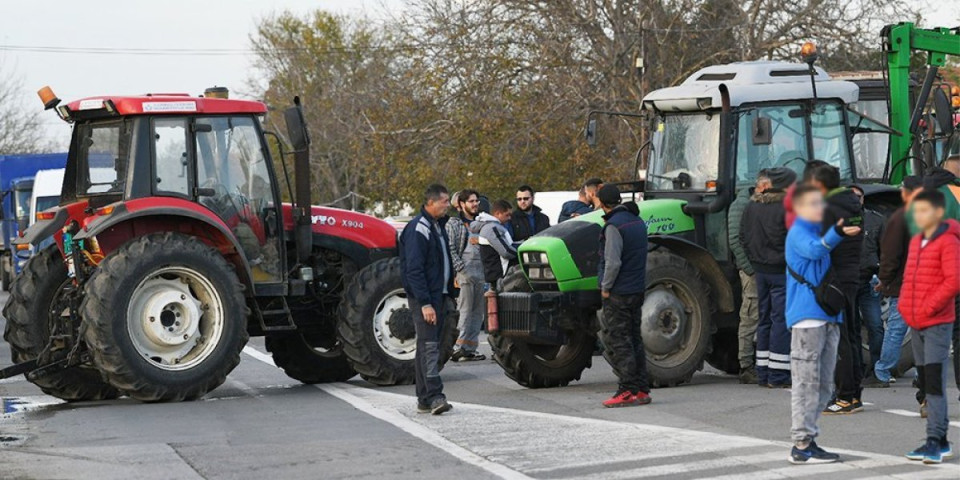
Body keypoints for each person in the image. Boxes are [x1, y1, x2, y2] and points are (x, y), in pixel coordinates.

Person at [785, 184, 860, 465]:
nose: (820, 209)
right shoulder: (800, 232)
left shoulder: (818, 230)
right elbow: (815, 251)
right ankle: (801, 442)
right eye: (814, 204)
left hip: (828, 315)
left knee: (825, 384)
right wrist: (838, 233)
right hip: (807, 318)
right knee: (806, 382)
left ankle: (809, 439)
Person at [899, 189, 959, 464]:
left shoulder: (947, 241)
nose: (917, 216)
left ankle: (935, 440)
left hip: (936, 322)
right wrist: (905, 306)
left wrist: (927, 306)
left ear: (938, 213)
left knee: (934, 383)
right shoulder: (917, 240)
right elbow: (909, 277)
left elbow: (954, 280)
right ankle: (938, 439)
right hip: (916, 321)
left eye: (923, 211)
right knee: (925, 381)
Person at [806, 164, 866, 415]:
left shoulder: (827, 209)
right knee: (851, 336)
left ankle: (844, 396)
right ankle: (854, 393)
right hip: (851, 275)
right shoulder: (853, 204)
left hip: (835, 279)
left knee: (839, 339)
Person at [399, 184, 455, 415]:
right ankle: (434, 396)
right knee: (430, 347)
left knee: (427, 346)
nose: (448, 205)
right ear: (431, 202)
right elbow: (414, 270)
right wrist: (425, 303)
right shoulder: (419, 229)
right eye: (444, 201)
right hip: (427, 300)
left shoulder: (436, 226)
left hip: (438, 297)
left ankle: (424, 398)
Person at [595, 184, 651, 408]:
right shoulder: (637, 221)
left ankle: (626, 389)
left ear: (602, 202)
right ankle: (641, 389)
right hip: (637, 288)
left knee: (619, 340)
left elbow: (613, 261)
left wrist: (606, 287)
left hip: (619, 291)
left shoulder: (613, 226)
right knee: (635, 339)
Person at [864, 176, 922, 388]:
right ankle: (923, 374)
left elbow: (890, 255)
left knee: (896, 329)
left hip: (905, 283)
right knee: (923, 331)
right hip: (927, 282)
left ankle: (882, 370)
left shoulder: (900, 219)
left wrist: (885, 280)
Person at [741, 167, 796, 388]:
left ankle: (762, 371)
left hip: (760, 271)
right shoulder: (786, 209)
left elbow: (743, 237)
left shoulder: (751, 206)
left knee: (763, 320)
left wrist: (754, 261)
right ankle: (778, 375)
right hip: (780, 271)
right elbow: (792, 241)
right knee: (780, 321)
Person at [446, 189, 487, 362]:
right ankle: (457, 348)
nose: (475, 204)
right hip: (465, 273)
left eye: (476, 201)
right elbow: (450, 248)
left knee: (478, 313)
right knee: (464, 311)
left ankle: (470, 348)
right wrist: (461, 269)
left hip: (481, 274)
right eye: (471, 201)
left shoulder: (482, 223)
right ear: (462, 205)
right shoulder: (454, 224)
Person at [729, 176, 760, 384]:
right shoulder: (741, 205)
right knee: (750, 315)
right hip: (752, 271)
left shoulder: (752, 202)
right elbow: (735, 240)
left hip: (759, 268)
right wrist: (749, 269)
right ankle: (746, 365)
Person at [850, 185, 885, 371]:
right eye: (851, 196)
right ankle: (856, 366)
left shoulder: (875, 220)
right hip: (847, 282)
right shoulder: (837, 221)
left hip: (869, 280)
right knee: (851, 327)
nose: (855, 200)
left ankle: (877, 367)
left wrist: (882, 276)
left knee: (875, 325)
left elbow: (884, 250)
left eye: (858, 196)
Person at [473, 200, 517, 291]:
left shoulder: (492, 226)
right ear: (497, 213)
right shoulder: (492, 228)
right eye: (507, 215)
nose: (509, 218)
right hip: (498, 276)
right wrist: (522, 252)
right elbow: (506, 251)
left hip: (496, 275)